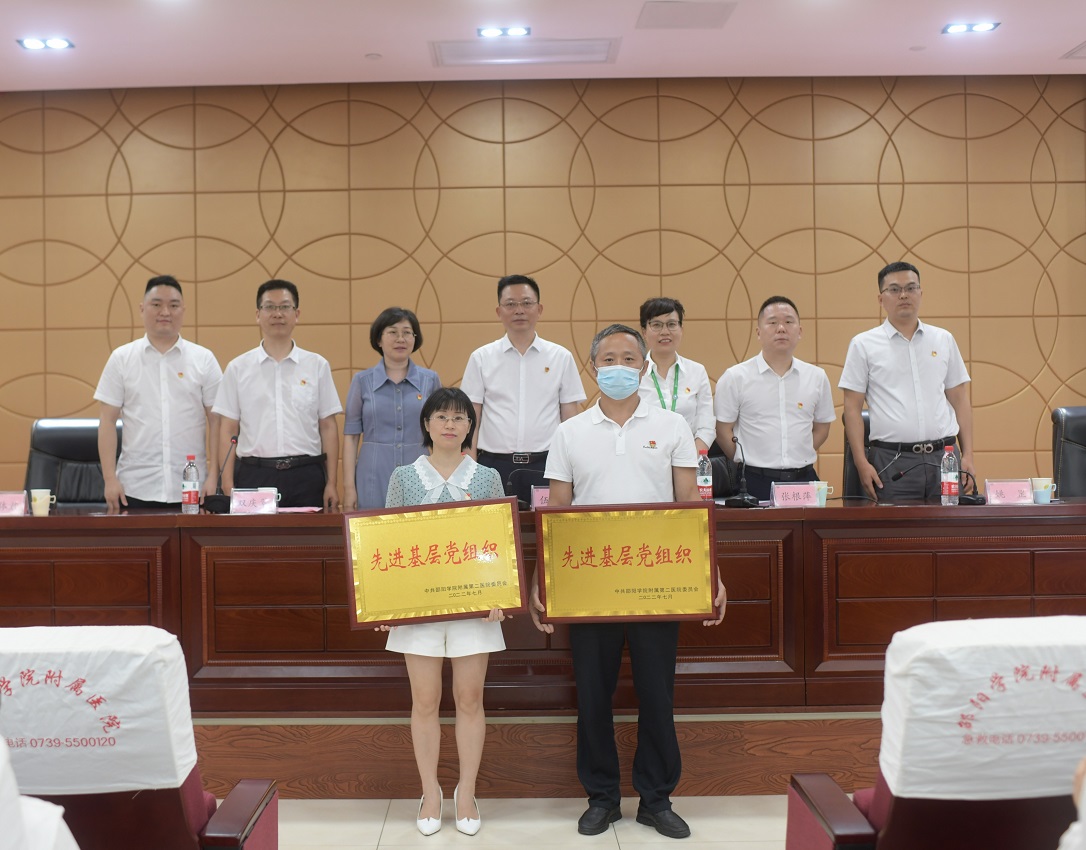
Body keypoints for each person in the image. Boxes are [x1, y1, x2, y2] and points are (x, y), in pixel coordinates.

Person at [535, 324, 727, 840]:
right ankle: (601, 798)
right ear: (592, 367)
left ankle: (656, 799)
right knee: (593, 695)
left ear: (643, 367)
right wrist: (542, 581)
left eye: (627, 358)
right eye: (608, 358)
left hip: (658, 580)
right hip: (588, 583)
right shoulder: (570, 432)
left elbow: (689, 505)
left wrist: (711, 573)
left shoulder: (671, 425)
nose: (618, 366)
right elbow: (557, 511)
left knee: (657, 693)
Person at [382, 387, 507, 837]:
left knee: (470, 699)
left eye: (459, 417)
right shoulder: (404, 477)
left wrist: (500, 592)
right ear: (427, 424)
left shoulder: (488, 477)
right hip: (419, 610)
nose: (450, 424)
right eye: (441, 416)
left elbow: (499, 542)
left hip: (474, 609)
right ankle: (430, 792)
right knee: (425, 701)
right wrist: (387, 602)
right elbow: (389, 541)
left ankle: (466, 792)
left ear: (471, 425)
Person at [839, 261, 974, 502]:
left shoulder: (943, 339)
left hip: (945, 458)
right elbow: (852, 408)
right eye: (894, 289)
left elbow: (960, 400)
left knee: (951, 525)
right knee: (896, 527)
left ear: (921, 293)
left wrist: (969, 455)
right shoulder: (863, 344)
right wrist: (861, 463)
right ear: (881, 298)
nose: (903, 295)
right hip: (891, 461)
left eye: (911, 288)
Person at [95, 275, 222, 511]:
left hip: (193, 487)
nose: (165, 312)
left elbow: (217, 422)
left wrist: (214, 475)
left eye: (173, 305)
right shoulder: (121, 359)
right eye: (156, 304)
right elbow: (107, 421)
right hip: (133, 488)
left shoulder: (204, 359)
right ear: (142, 309)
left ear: (183, 310)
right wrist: (110, 479)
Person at [213, 279, 342, 509]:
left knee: (310, 534)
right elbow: (228, 429)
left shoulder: (317, 365)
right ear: (258, 314)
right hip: (254, 475)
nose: (277, 314)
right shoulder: (238, 368)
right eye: (269, 307)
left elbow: (328, 427)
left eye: (284, 307)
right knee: (257, 534)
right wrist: (227, 482)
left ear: (297, 314)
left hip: (307, 476)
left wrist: (332, 482)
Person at [461, 274, 586, 491]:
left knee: (546, 516)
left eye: (527, 303)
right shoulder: (481, 358)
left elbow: (570, 419)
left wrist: (573, 466)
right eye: (510, 304)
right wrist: (471, 468)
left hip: (548, 464)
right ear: (499, 311)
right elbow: (472, 418)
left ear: (539, 309)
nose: (519, 310)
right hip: (492, 464)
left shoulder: (561, 357)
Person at [714, 296, 835, 501]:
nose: (781, 328)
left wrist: (797, 454)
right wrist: (747, 460)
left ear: (800, 331)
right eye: (772, 322)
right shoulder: (735, 377)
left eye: (788, 322)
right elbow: (722, 431)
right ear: (758, 332)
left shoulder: (817, 377)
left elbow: (822, 429)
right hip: (753, 481)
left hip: (805, 480)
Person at [342, 307, 440, 510]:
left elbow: (441, 434)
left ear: (415, 339)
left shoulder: (430, 380)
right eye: (393, 332)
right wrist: (349, 487)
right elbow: (351, 437)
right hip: (372, 475)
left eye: (407, 332)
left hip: (420, 473)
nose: (400, 339)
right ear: (379, 339)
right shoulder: (362, 381)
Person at [637, 298, 715, 453]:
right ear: (644, 332)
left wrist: (687, 459)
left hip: (689, 457)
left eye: (671, 324)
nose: (665, 332)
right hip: (644, 457)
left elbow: (706, 427)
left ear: (681, 329)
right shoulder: (634, 373)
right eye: (656, 325)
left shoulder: (697, 371)